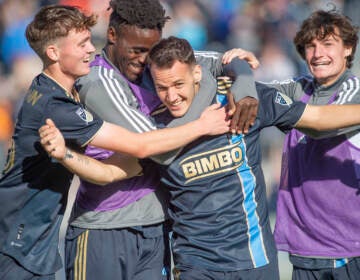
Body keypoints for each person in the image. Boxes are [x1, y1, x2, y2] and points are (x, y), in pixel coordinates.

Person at [39, 36, 360, 280]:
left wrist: (243, 74)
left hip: (255, 261)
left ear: (196, 73)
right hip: (195, 266)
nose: (172, 95)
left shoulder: (242, 100)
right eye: (162, 88)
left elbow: (317, 118)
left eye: (178, 84)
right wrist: (65, 153)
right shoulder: (156, 131)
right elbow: (110, 173)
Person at [0, 6, 231, 280]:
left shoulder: (58, 92)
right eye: (82, 44)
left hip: (37, 240)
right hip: (20, 238)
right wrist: (203, 125)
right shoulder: (58, 104)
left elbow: (110, 169)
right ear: (53, 53)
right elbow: (142, 146)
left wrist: (239, 71)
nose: (90, 50)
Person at [61, 0, 260, 279]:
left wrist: (245, 85)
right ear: (113, 36)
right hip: (104, 228)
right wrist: (203, 124)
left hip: (157, 226)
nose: (144, 60)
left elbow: (226, 61)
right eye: (137, 51)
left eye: (150, 50)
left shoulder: (153, 66)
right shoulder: (97, 81)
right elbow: (153, 147)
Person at [225, 8, 360, 280]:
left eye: (328, 44)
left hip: (350, 248)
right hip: (304, 248)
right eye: (310, 46)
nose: (318, 53)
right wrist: (241, 69)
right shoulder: (297, 88)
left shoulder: (354, 92)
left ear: (348, 49)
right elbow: (255, 97)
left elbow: (319, 126)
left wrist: (274, 106)